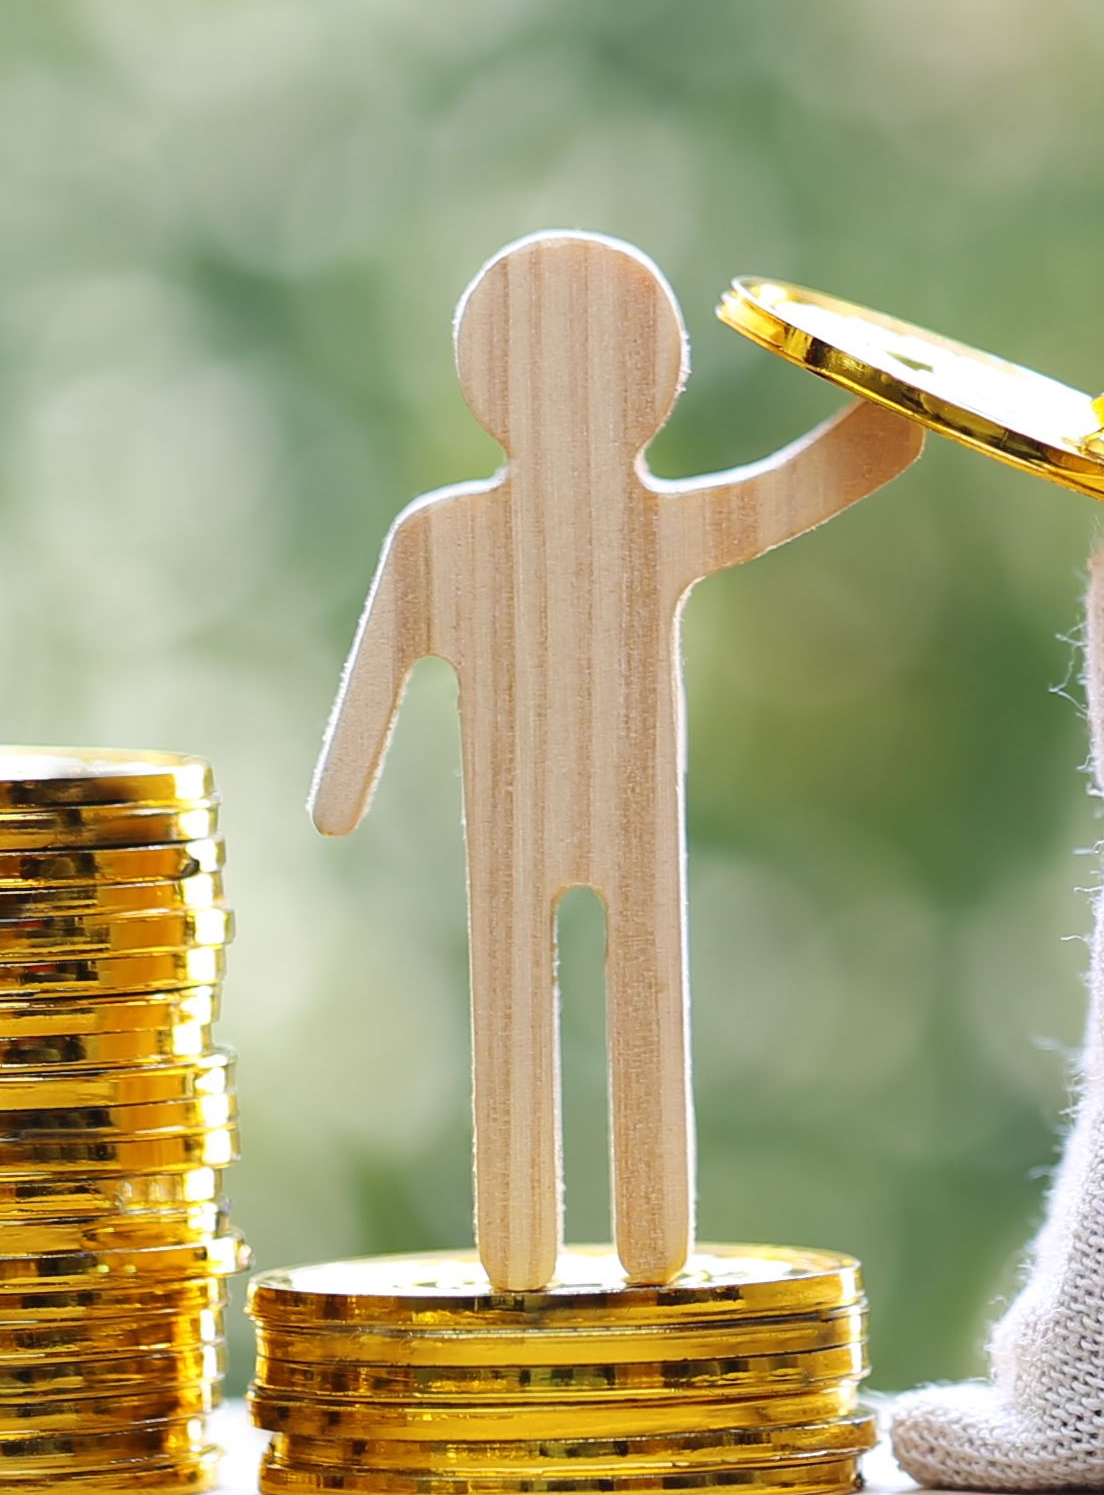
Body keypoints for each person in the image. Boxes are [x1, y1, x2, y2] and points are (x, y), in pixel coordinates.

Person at [312, 232, 918, 1287]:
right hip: (541, 823)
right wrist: (897, 414)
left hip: (601, 824)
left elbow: (789, 489)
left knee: (605, 1006)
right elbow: (793, 487)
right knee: (553, 1012)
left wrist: (900, 407)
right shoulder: (446, 538)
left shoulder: (480, 532)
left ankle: (617, 1244)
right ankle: (546, 1244)